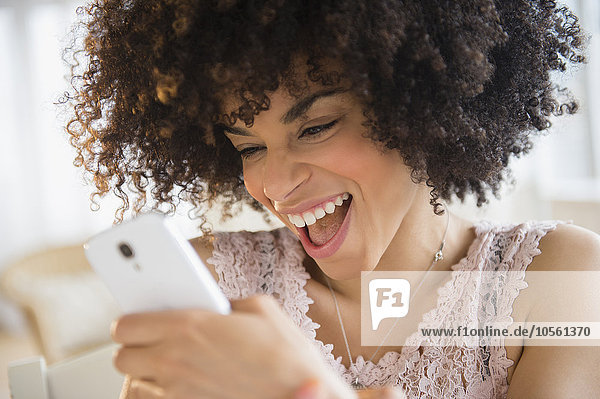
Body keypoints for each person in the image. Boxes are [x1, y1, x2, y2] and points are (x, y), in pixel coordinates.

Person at [63, 0, 600, 398]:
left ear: (418, 113)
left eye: (316, 127)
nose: (275, 185)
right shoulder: (215, 286)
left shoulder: (558, 278)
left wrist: (301, 388)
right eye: (249, 147)